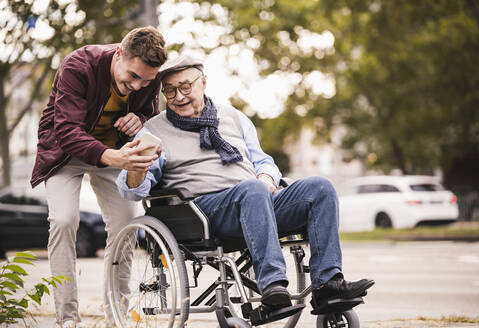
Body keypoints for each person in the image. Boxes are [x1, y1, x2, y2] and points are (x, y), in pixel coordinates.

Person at [116, 55, 374, 316]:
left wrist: (266, 179)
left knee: (320, 187)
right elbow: (131, 190)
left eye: (185, 87)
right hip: (204, 214)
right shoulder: (154, 131)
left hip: (258, 200)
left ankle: (327, 286)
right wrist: (135, 169)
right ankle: (273, 286)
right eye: (169, 91)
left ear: (203, 82)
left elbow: (264, 162)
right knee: (252, 190)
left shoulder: (232, 117)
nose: (178, 96)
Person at [30, 26, 168, 327]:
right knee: (64, 220)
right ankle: (68, 320)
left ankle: (115, 317)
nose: (138, 85)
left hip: (116, 151)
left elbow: (151, 115)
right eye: (132, 76)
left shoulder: (148, 78)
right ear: (119, 52)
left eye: (146, 80)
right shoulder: (78, 65)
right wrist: (111, 156)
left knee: (126, 226)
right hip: (66, 152)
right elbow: (65, 130)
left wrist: (140, 118)